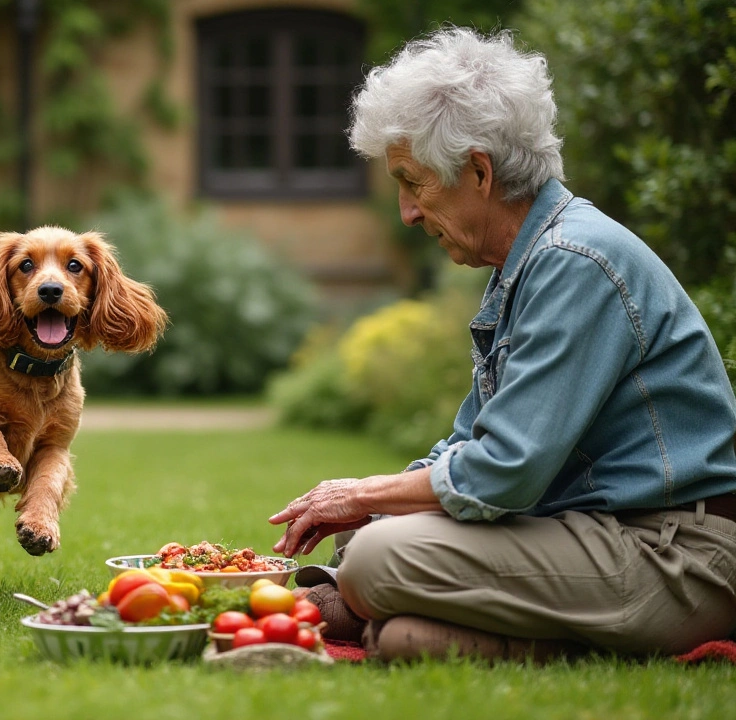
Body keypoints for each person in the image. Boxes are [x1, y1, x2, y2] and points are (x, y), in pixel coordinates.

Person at [269, 27, 736, 661]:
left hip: (677, 554)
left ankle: (381, 603)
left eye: (414, 182)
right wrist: (374, 514)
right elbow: (467, 446)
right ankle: (517, 640)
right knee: (399, 623)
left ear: (479, 172)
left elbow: (503, 472)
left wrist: (359, 497)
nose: (407, 212)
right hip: (593, 535)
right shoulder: (527, 263)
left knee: (379, 555)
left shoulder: (575, 262)